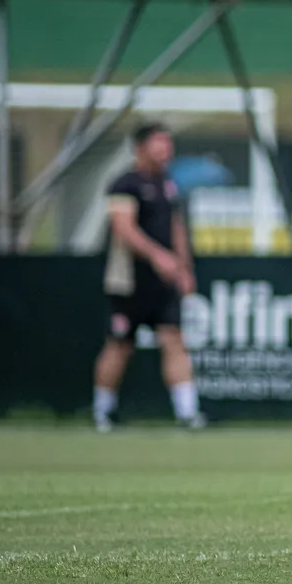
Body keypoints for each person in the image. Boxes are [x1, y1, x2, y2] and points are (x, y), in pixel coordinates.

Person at [92, 122, 206, 433]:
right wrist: (158, 256)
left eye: (168, 143)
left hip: (164, 281)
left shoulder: (169, 184)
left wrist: (184, 268)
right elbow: (123, 228)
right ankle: (103, 412)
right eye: (159, 143)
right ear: (140, 147)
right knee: (119, 345)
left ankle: (188, 412)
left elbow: (177, 228)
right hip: (128, 281)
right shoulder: (124, 185)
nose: (166, 150)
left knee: (173, 339)